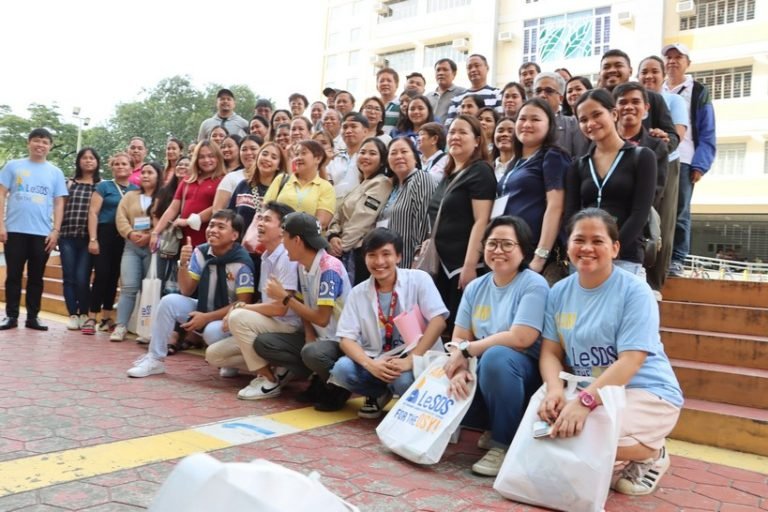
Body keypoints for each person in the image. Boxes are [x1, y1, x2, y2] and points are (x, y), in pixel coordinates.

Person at [538, 208, 683, 496]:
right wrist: (554, 389)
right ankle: (616, 444)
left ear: (615, 248)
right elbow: (550, 352)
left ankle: (652, 452)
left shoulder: (635, 292)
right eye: (579, 240)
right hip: (590, 390)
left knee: (583, 433)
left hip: (645, 390)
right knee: (546, 427)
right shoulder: (559, 292)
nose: (587, 248)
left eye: (598, 241)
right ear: (568, 246)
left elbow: (631, 361)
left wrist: (585, 402)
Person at [445, 216, 549, 476]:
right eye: (492, 244)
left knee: (497, 357)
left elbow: (521, 338)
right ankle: (489, 424)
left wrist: (468, 350)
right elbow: (458, 339)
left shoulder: (533, 284)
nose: (498, 251)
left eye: (506, 244)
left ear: (523, 249)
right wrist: (458, 367)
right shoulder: (476, 287)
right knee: (444, 369)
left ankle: (503, 444)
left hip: (524, 376)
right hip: (485, 373)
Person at [330, 228, 449, 419]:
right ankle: (378, 394)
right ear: (365, 258)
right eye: (372, 255)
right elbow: (346, 339)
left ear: (399, 256)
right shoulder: (358, 293)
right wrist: (370, 364)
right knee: (342, 370)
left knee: (403, 381)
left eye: (386, 254)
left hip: (415, 356)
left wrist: (411, 360)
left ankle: (409, 407)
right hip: (379, 359)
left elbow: (438, 321)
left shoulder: (419, 280)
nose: (379, 262)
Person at [127, 209, 255, 378]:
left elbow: (241, 305)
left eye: (221, 227)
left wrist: (206, 317)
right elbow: (187, 290)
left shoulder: (242, 262)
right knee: (169, 301)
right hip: (203, 308)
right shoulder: (201, 252)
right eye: (211, 225)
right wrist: (183, 264)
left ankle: (228, 362)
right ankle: (155, 359)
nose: (213, 230)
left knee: (211, 331)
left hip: (227, 318)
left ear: (234, 235)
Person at [255, 212, 352, 411]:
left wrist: (284, 297)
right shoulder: (302, 265)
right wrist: (308, 334)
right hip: (319, 337)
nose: (282, 243)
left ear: (297, 240)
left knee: (312, 353)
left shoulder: (329, 269)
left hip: (340, 340)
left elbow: (322, 319)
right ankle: (317, 378)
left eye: (284, 237)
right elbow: (304, 304)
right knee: (264, 343)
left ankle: (338, 388)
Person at [205, 202, 302, 391]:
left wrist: (241, 308)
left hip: (288, 327)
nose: (260, 224)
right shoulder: (266, 256)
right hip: (269, 323)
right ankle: (278, 368)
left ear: (283, 229)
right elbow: (265, 301)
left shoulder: (287, 257)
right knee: (214, 355)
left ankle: (268, 380)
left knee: (238, 316)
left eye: (267, 220)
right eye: (260, 218)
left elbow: (280, 308)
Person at [566, 89, 657, 277]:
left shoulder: (642, 157)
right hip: (585, 259)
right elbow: (570, 214)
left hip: (624, 257)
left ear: (614, 114)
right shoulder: (579, 165)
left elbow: (640, 212)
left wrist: (610, 249)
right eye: (583, 120)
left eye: (597, 114)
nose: (590, 123)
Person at [427, 114, 495, 327]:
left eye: (463, 132)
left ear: (477, 141)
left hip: (461, 265)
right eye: (453, 132)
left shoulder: (480, 171)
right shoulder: (448, 174)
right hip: (441, 264)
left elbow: (481, 220)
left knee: (461, 327)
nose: (455, 136)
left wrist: (470, 265)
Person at [0, 128, 68, 331]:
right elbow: (2, 193)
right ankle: (11, 316)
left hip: (42, 233)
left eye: (45, 142)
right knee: (13, 275)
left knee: (36, 277)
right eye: (37, 141)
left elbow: (58, 203)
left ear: (50, 146)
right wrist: (1, 224)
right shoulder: (13, 166)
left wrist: (56, 230)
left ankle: (33, 317)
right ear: (29, 143)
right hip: (14, 230)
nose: (40, 145)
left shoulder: (55, 172)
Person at [498, 99, 571, 282]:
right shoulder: (515, 162)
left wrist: (540, 256)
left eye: (535, 119)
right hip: (509, 250)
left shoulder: (553, 156)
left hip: (535, 254)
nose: (527, 124)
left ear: (549, 125)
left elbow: (556, 207)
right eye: (522, 119)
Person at [661, 43, 717, 278]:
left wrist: (700, 165)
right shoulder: (656, 89)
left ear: (687, 62)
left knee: (680, 211)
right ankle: (658, 257)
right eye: (669, 57)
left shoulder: (697, 91)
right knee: (657, 210)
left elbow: (707, 130)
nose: (672, 61)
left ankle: (677, 259)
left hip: (684, 160)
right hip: (657, 158)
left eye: (678, 57)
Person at [639, 55, 689, 295]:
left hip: (666, 164)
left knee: (664, 223)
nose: (649, 76)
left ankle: (655, 282)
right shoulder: (632, 99)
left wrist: (662, 142)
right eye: (644, 72)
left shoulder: (672, 100)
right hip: (636, 164)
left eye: (654, 71)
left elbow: (676, 135)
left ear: (663, 75)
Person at [84, 152, 138, 334]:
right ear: (111, 167)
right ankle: (92, 317)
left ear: (131, 168)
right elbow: (93, 212)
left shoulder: (135, 190)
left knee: (115, 276)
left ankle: (107, 317)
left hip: (125, 236)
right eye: (116, 164)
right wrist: (93, 238)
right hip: (104, 234)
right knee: (101, 275)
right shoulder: (104, 186)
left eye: (124, 164)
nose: (120, 166)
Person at [327, 138, 393, 284]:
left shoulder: (381, 183)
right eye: (362, 152)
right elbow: (338, 214)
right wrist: (332, 235)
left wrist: (340, 247)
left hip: (357, 255)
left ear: (382, 161)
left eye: (372, 153)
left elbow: (361, 220)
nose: (366, 157)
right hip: (344, 250)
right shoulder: (362, 183)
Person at [110, 161, 162, 341]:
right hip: (131, 246)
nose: (145, 175)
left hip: (153, 248)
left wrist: (150, 235)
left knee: (150, 289)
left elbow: (165, 219)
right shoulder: (130, 195)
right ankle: (121, 326)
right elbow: (121, 217)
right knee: (129, 287)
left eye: (150, 172)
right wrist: (130, 233)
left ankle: (146, 330)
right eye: (144, 172)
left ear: (158, 176)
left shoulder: (164, 197)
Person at [151, 141, 227, 250]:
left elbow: (218, 208)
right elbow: (173, 209)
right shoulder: (187, 180)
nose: (206, 160)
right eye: (201, 157)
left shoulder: (224, 180)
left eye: (211, 156)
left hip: (209, 243)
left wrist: (188, 221)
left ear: (218, 158)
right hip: (183, 242)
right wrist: (156, 232)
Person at [614, 81, 669, 229]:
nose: (629, 107)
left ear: (646, 108)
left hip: (637, 225)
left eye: (635, 102)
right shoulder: (600, 144)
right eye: (623, 102)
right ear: (614, 109)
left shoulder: (656, 146)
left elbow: (655, 193)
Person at [599, 49, 679, 152]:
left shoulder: (652, 98)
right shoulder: (596, 102)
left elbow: (672, 137)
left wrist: (661, 143)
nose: (612, 70)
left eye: (618, 65)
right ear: (600, 72)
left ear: (630, 71)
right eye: (606, 67)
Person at [377, 137, 437, 268]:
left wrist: (417, 259)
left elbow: (424, 224)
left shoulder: (421, 179)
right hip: (391, 264)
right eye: (393, 153)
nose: (399, 156)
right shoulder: (393, 187)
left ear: (416, 158)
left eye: (404, 151)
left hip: (411, 264)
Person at [60, 147, 101, 330]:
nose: (88, 161)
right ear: (78, 161)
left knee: (82, 277)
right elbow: (61, 208)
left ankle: (84, 311)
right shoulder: (69, 183)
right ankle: (73, 314)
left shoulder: (101, 185)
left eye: (91, 158)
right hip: (67, 236)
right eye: (84, 158)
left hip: (88, 238)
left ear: (97, 162)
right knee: (69, 277)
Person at [263, 140, 336, 229]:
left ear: (318, 158)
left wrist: (294, 235)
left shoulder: (326, 187)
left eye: (303, 153)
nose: (298, 158)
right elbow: (265, 209)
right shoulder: (281, 179)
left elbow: (321, 222)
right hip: (276, 237)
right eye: (297, 154)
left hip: (306, 240)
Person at [534, 72, 589, 158]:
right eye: (538, 91)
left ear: (560, 98)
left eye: (549, 91)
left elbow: (580, 159)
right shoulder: (525, 124)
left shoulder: (573, 124)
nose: (542, 95)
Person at [445, 54, 500, 126]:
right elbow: (449, 125)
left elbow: (499, 122)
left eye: (477, 66)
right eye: (469, 67)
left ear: (487, 68)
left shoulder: (497, 94)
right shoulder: (457, 99)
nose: (473, 70)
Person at [328, 112, 369, 200]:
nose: (348, 131)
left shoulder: (369, 159)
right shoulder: (334, 158)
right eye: (345, 127)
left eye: (353, 126)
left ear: (365, 131)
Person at [427, 58, 467, 122]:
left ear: (454, 74)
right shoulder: (427, 97)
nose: (440, 73)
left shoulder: (462, 93)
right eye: (438, 70)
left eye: (445, 70)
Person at [376, 67, 400, 134]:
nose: (385, 83)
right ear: (377, 85)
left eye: (389, 81)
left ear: (396, 85)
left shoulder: (402, 106)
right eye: (381, 81)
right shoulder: (371, 106)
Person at [491, 117, 515, 181]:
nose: (505, 134)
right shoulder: (487, 169)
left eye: (510, 131)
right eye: (500, 131)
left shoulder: (523, 166)